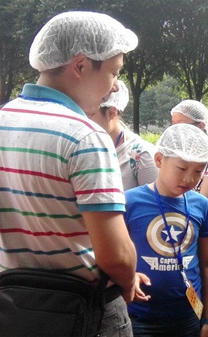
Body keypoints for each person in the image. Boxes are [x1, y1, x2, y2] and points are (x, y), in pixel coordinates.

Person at [0, 11, 138, 335]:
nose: (115, 85)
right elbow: (115, 256)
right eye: (113, 72)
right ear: (80, 65)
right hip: (86, 313)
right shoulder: (84, 136)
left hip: (15, 309)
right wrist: (129, 280)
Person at [125, 123, 208, 337]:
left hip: (188, 317)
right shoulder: (130, 202)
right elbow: (111, 253)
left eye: (198, 171)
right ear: (159, 160)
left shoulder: (201, 204)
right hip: (140, 317)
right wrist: (126, 277)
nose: (190, 179)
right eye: (182, 168)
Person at [170, 100, 208, 296]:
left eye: (181, 125)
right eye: (173, 125)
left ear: (201, 126)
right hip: (183, 238)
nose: (176, 130)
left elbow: (199, 203)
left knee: (206, 297)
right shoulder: (178, 157)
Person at [86, 79, 158, 190]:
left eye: (89, 115)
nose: (83, 120)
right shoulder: (84, 146)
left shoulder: (142, 156)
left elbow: (155, 202)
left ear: (111, 112)